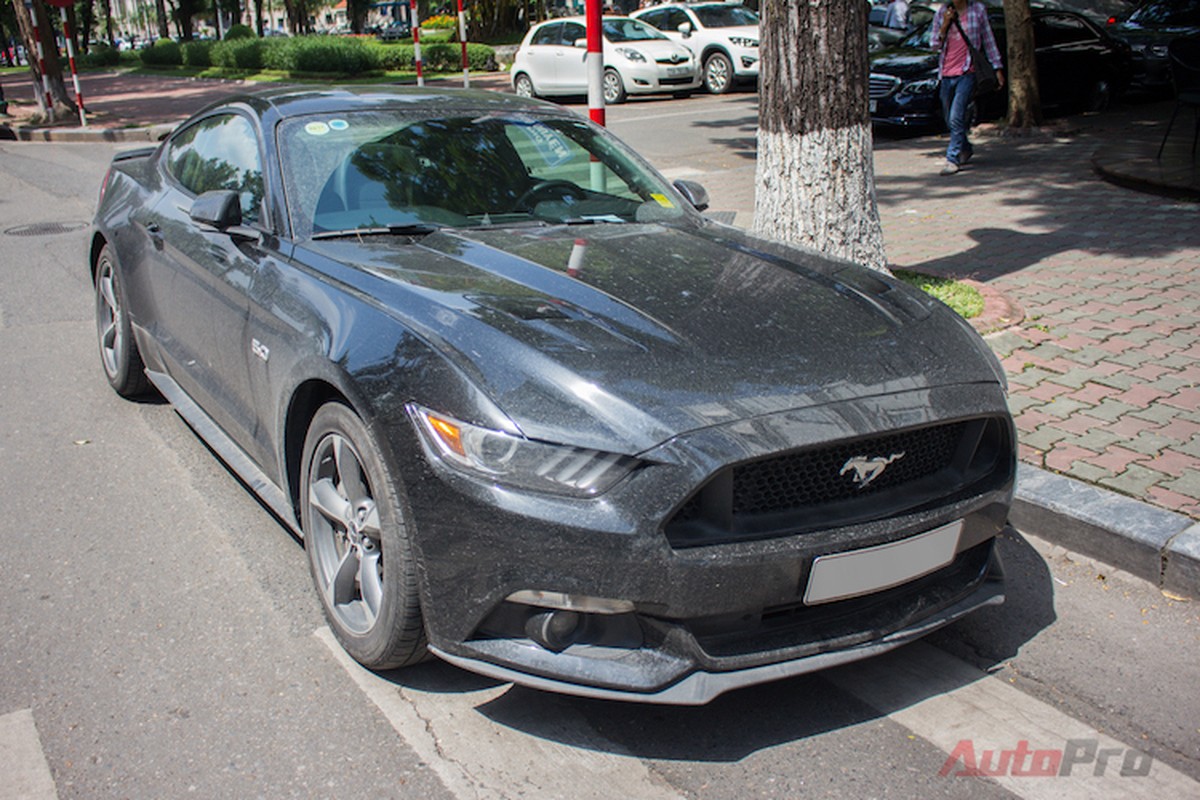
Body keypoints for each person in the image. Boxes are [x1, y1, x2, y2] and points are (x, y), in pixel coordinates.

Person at [930, 0, 1005, 175]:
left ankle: (952, 158)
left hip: (967, 72)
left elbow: (989, 41)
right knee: (949, 118)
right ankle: (965, 147)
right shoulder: (941, 12)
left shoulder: (977, 10)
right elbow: (934, 44)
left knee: (957, 115)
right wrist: (945, 25)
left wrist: (997, 68)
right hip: (946, 73)